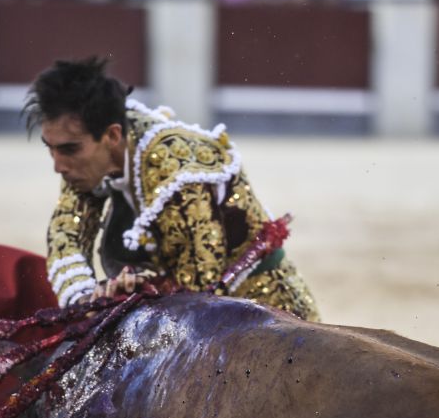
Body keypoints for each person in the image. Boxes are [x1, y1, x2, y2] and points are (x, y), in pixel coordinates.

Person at [24, 57, 319, 322]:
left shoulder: (179, 172)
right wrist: (84, 300)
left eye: (69, 150)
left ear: (112, 136)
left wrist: (138, 287)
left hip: (267, 315)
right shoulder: (89, 156)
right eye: (51, 149)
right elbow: (67, 235)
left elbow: (199, 291)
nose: (58, 166)